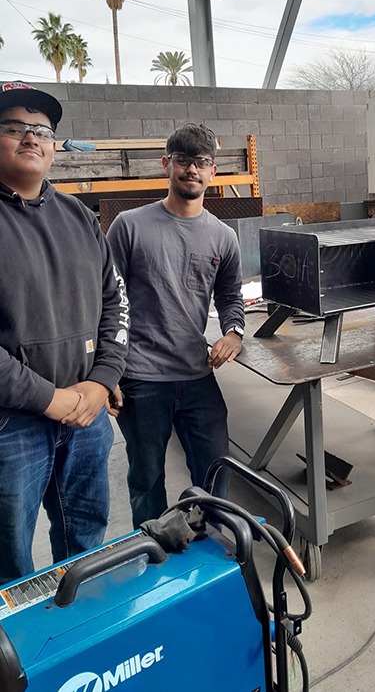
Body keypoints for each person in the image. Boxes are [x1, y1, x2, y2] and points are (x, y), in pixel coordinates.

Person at [0, 81, 129, 584]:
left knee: (86, 540)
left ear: (54, 145)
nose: (30, 138)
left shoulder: (79, 216)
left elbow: (115, 302)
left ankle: (81, 627)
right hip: (12, 425)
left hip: (86, 415)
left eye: (41, 130)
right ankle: (22, 656)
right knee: (10, 553)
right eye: (13, 127)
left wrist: (101, 380)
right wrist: (47, 398)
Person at [107, 123, 244, 528]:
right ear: (167, 164)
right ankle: (153, 555)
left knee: (216, 470)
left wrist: (234, 331)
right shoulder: (129, 227)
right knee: (147, 480)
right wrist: (107, 371)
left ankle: (215, 543)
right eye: (183, 160)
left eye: (202, 162)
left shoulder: (223, 237)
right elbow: (107, 301)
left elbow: (231, 296)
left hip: (195, 373)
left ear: (212, 172)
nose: (192, 170)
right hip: (140, 377)